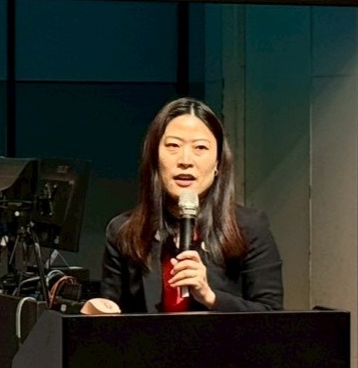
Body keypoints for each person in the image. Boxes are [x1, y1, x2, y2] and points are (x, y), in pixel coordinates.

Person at [81, 97, 283, 314]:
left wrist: (210, 297)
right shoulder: (123, 231)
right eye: (173, 146)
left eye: (200, 147)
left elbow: (271, 314)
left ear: (217, 163)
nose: (185, 160)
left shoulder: (250, 227)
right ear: (154, 157)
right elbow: (112, 315)